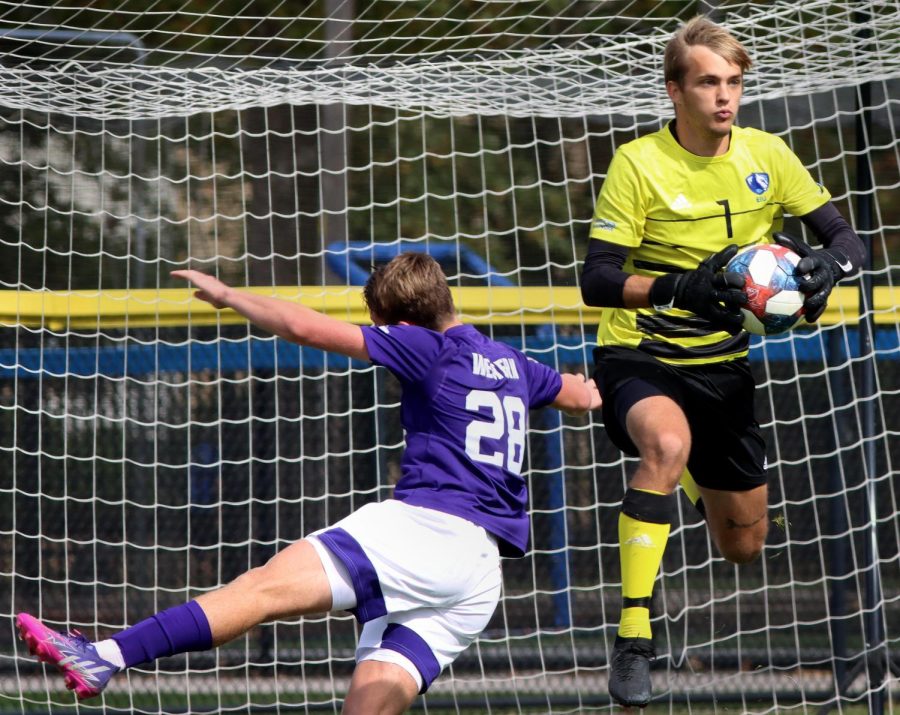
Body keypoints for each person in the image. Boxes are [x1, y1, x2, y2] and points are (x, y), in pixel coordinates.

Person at [17, 252, 601, 714]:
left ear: (394, 322)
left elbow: (302, 325)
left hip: (429, 532)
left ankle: (105, 655)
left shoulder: (427, 347)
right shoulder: (514, 363)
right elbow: (583, 396)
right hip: (478, 579)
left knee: (261, 589)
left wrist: (227, 295)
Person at [579, 16, 865, 709]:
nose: (724, 96)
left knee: (743, 543)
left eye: (734, 81)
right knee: (666, 442)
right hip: (639, 353)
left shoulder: (769, 153)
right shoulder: (637, 163)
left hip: (724, 366)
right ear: (675, 89)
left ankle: (682, 482)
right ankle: (635, 634)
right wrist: (681, 286)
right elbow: (597, 279)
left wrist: (828, 266)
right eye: (708, 81)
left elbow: (848, 239)